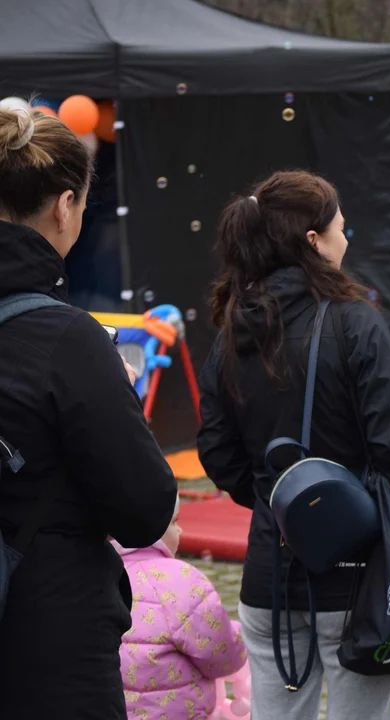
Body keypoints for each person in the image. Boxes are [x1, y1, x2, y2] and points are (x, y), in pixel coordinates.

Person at [196, 170, 390, 720]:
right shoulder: (356, 323)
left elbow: (217, 451)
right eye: (340, 228)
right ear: (314, 242)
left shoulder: (231, 331)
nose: (347, 240)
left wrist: (277, 506)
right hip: (358, 576)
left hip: (268, 574)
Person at [0, 105, 178, 719]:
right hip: (47, 639)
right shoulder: (69, 340)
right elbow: (144, 509)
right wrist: (116, 397)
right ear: (64, 205)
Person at [113, 500, 247, 718]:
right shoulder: (183, 580)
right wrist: (240, 638)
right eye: (175, 522)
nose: (181, 530)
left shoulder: (94, 577)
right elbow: (222, 656)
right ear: (154, 528)